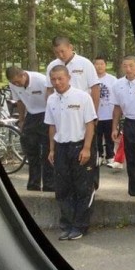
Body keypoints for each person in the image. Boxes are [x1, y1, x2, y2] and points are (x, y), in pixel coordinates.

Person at [44, 65, 97, 241]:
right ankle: (67, 225)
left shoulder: (82, 97)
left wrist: (87, 148)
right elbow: (52, 126)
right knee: (63, 188)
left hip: (79, 146)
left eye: (60, 78)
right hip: (61, 148)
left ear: (68, 78)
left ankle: (80, 226)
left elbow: (90, 124)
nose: (57, 82)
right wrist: (52, 149)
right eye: (53, 79)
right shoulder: (51, 100)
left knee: (82, 188)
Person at [6, 66, 54, 192]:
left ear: (23, 75)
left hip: (46, 113)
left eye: (18, 81)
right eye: (14, 83)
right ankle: (34, 183)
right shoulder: (13, 84)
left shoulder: (41, 80)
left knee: (46, 150)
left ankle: (49, 183)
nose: (17, 84)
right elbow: (19, 102)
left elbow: (52, 98)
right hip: (31, 115)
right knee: (31, 150)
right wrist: (21, 119)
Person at [111, 56, 135, 196]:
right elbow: (117, 108)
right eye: (125, 66)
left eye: (131, 65)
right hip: (129, 122)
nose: (128, 69)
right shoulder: (117, 84)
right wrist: (115, 127)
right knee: (132, 159)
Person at [46, 36, 100, 111]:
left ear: (70, 47)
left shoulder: (85, 63)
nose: (60, 55)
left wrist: (94, 112)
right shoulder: (52, 66)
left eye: (62, 51)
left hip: (81, 108)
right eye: (57, 53)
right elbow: (49, 89)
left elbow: (95, 88)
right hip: (60, 109)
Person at [93, 55, 117, 164]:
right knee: (96, 136)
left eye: (102, 64)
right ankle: (99, 155)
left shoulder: (112, 80)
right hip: (96, 114)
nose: (99, 66)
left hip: (109, 114)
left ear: (105, 65)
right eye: (97, 64)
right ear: (94, 65)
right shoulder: (91, 79)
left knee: (109, 136)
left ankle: (110, 155)